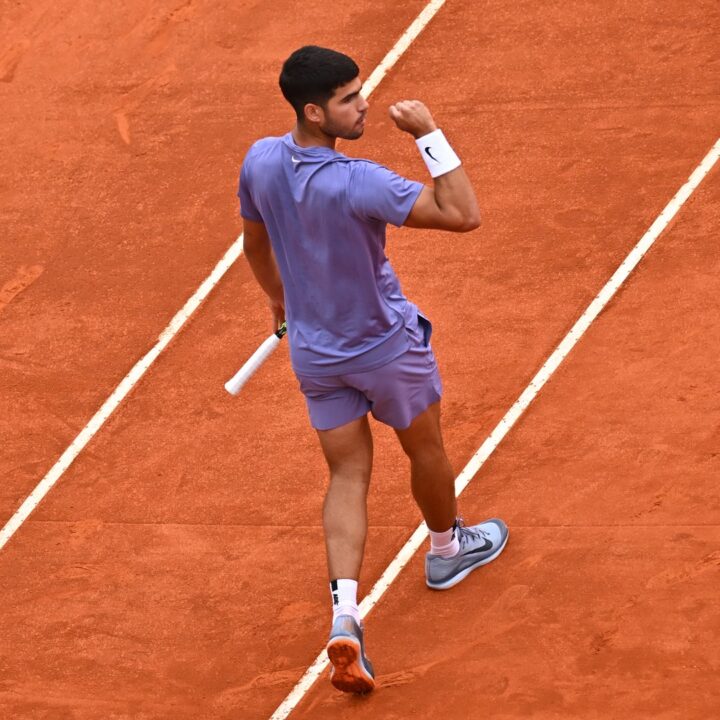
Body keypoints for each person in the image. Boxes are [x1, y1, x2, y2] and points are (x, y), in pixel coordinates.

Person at [238, 45, 508, 695]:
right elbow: (463, 214)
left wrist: (280, 302)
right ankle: (447, 550)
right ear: (314, 111)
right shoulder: (359, 181)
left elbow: (255, 244)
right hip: (387, 350)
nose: (364, 106)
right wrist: (429, 134)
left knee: (347, 475)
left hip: (315, 355)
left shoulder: (260, 161)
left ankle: (345, 615)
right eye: (349, 99)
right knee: (425, 449)